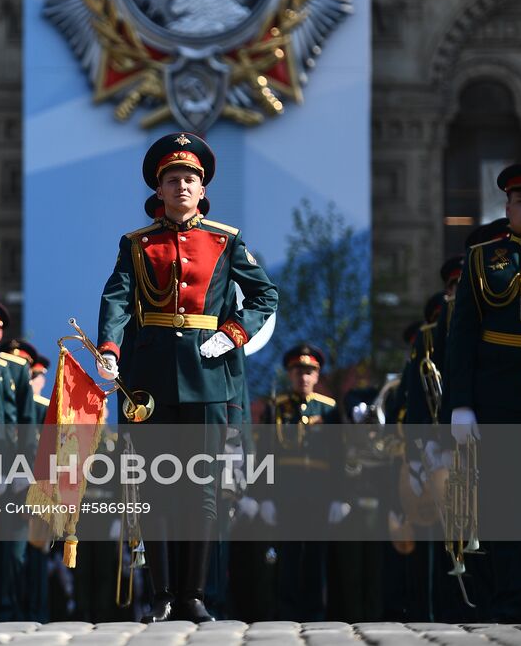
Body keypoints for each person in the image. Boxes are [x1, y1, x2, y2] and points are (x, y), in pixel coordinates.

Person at [97, 133, 278, 623]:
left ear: (203, 190)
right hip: (149, 379)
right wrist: (109, 349)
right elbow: (116, 300)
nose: (182, 185)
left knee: (200, 486)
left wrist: (233, 333)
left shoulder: (225, 239)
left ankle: (193, 594)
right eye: (173, 178)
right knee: (156, 486)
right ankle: (161, 595)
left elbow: (265, 296)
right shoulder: (136, 244)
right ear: (159, 190)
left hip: (206, 374)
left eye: (190, 179)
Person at [446, 162, 521, 623]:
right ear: (508, 206)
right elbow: (462, 338)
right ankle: (511, 602)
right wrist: (461, 404)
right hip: (501, 398)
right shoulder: (482, 258)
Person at [265, 344, 342, 621]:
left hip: (319, 492)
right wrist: (265, 497)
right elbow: (266, 454)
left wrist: (338, 496)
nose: (304, 377)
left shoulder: (329, 410)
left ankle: (315, 613)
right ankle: (286, 611)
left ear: (318, 375)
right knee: (288, 554)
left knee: (316, 555)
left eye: (309, 372)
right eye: (298, 371)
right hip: (286, 492)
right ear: (290, 373)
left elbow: (338, 455)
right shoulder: (276, 408)